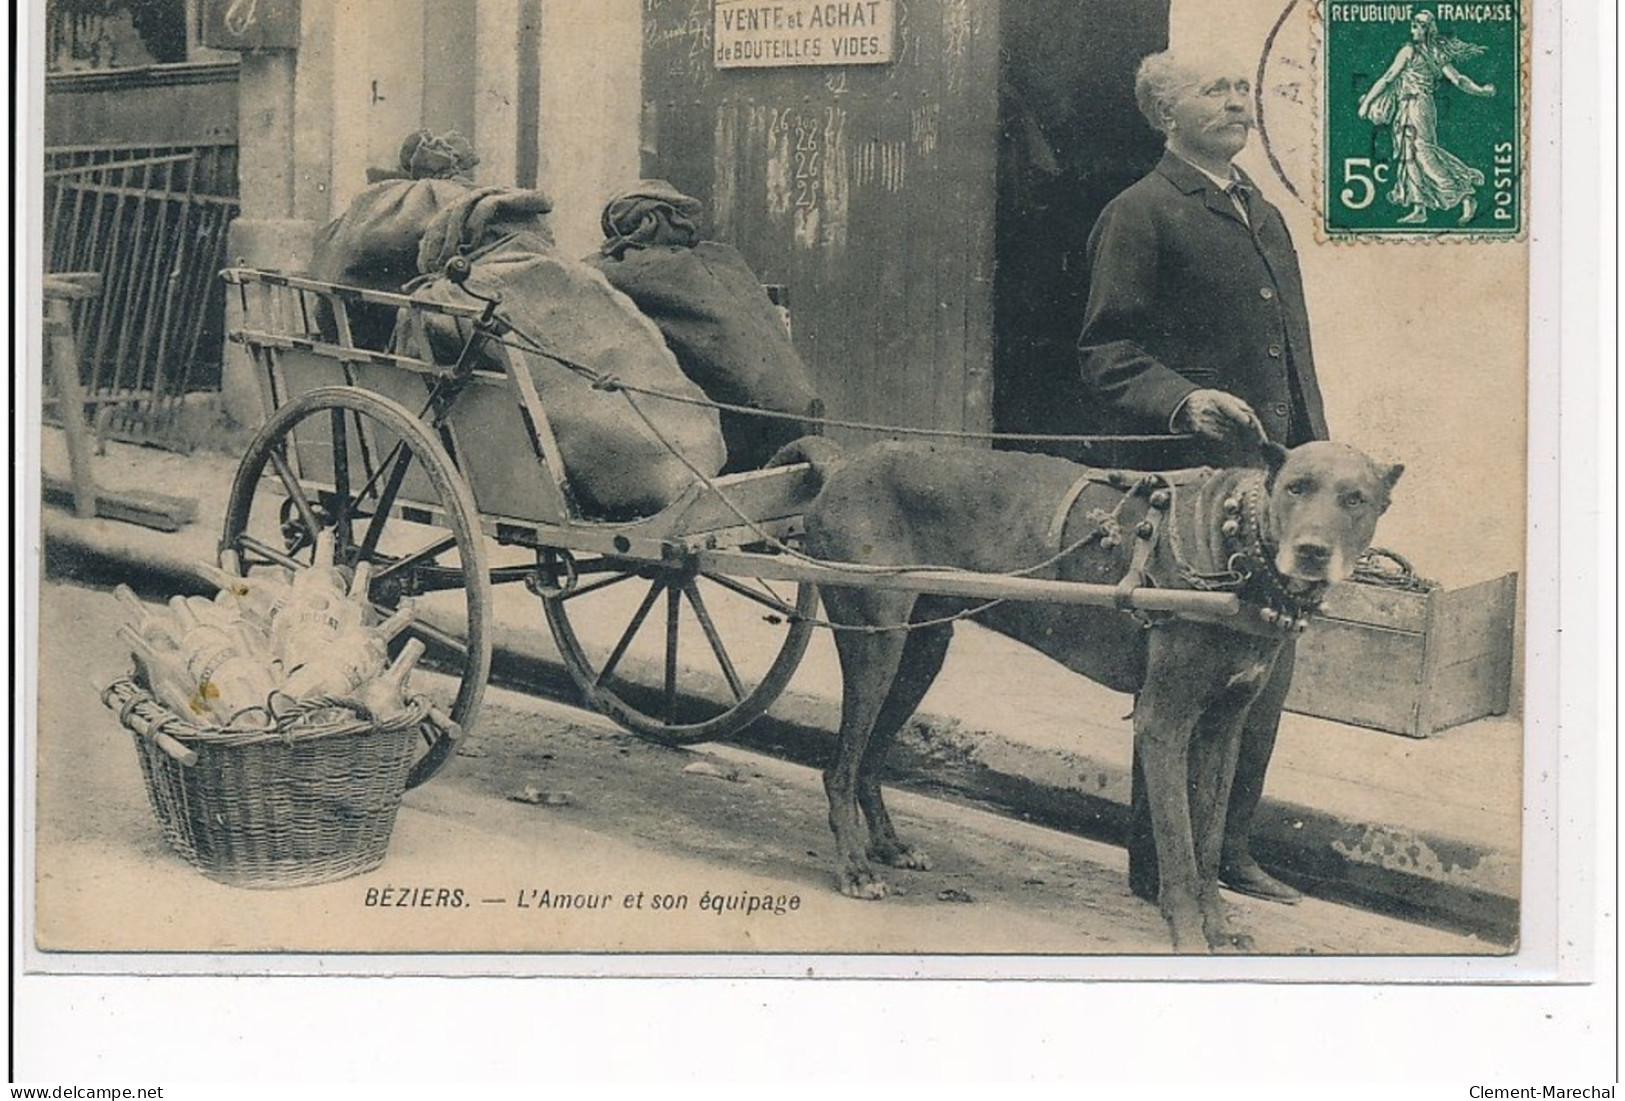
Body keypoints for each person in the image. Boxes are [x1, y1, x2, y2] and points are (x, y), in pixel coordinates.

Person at [1076, 50, 1330, 906]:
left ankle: (1230, 847)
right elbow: (1106, 355)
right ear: (1163, 115)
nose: (1236, 101)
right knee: (1181, 682)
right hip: (1183, 493)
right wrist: (1182, 401)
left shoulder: (1258, 209)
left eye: (1240, 89)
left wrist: (1313, 461)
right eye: (1213, 91)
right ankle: (1161, 870)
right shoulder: (1140, 212)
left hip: (1272, 491)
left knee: (1264, 670)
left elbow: (1292, 360)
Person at [1357, 10, 1497, 225]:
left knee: (1423, 152)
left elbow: (1457, 79)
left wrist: (1480, 91)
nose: (1413, 30)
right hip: (1406, 106)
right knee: (1408, 155)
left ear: (1427, 29)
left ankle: (1464, 193)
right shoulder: (1417, 51)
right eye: (1413, 25)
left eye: (1417, 26)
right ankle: (1419, 207)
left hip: (1419, 106)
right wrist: (1481, 91)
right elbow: (1388, 78)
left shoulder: (1423, 52)